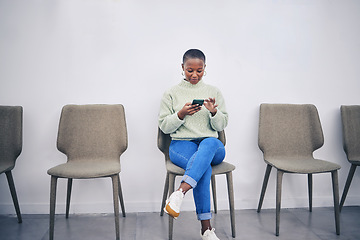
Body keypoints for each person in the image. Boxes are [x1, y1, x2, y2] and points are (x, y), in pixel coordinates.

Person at [158, 49, 228, 240]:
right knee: (201, 167)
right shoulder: (171, 93)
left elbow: (222, 125)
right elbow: (164, 126)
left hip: (212, 146)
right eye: (190, 70)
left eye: (199, 70)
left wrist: (214, 112)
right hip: (182, 145)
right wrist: (181, 114)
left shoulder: (214, 92)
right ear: (182, 68)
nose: (194, 75)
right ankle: (206, 229)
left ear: (205, 68)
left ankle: (180, 192)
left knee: (210, 143)